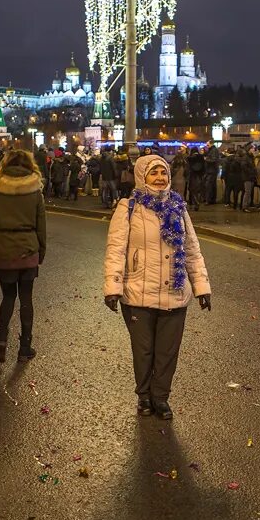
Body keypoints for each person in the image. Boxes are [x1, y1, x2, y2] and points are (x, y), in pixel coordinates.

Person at [103, 155, 211, 420]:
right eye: (154, 173)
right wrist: (112, 287)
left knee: (167, 352)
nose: (160, 178)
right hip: (138, 292)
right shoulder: (128, 207)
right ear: (142, 176)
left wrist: (201, 287)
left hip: (175, 293)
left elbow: (192, 250)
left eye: (164, 172)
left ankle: (160, 398)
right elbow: (116, 250)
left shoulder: (179, 208)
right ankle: (143, 396)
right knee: (144, 351)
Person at [0, 150, 46, 363]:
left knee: (8, 297)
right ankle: (25, 347)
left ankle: (1, 342)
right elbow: (41, 227)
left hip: (2, 249)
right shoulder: (35, 191)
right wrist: (41, 252)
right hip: (28, 249)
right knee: (26, 298)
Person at [203, 140, 222, 205]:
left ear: (211, 144)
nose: (207, 146)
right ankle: (212, 200)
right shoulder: (212, 150)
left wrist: (206, 159)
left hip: (211, 170)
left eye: (208, 145)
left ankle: (208, 200)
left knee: (209, 185)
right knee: (212, 185)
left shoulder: (213, 150)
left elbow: (214, 160)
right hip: (212, 170)